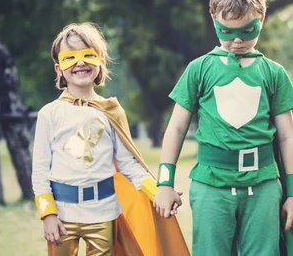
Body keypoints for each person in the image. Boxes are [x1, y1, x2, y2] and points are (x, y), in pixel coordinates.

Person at [153, 0, 293, 256]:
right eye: (227, 31)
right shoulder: (199, 69)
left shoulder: (273, 73)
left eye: (247, 30)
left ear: (261, 18)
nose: (237, 41)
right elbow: (175, 129)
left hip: (262, 185)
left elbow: (287, 138)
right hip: (211, 185)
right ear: (215, 22)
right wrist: (164, 182)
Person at [32, 22, 189, 256]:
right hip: (63, 214)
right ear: (59, 69)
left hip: (103, 212)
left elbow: (129, 164)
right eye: (70, 58)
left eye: (88, 55)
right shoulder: (49, 113)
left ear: (100, 63)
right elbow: (40, 169)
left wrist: (159, 192)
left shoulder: (110, 111)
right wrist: (48, 214)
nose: (80, 63)